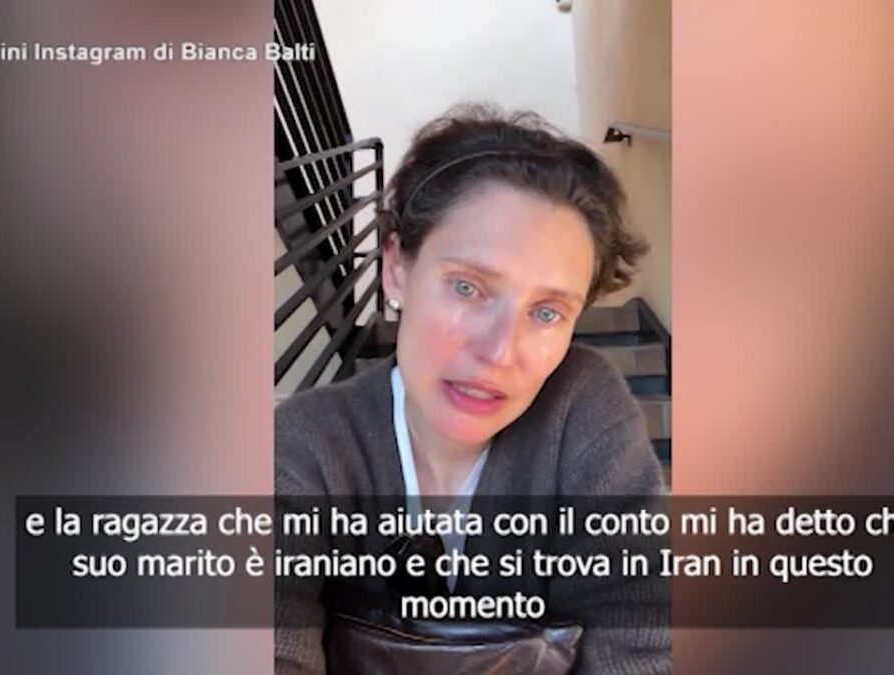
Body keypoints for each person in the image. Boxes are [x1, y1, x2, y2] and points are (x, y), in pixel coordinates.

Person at [275, 104, 670, 673]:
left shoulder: (582, 411)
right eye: (467, 287)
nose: (500, 352)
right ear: (396, 268)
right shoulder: (302, 446)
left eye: (547, 312)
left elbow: (644, 637)